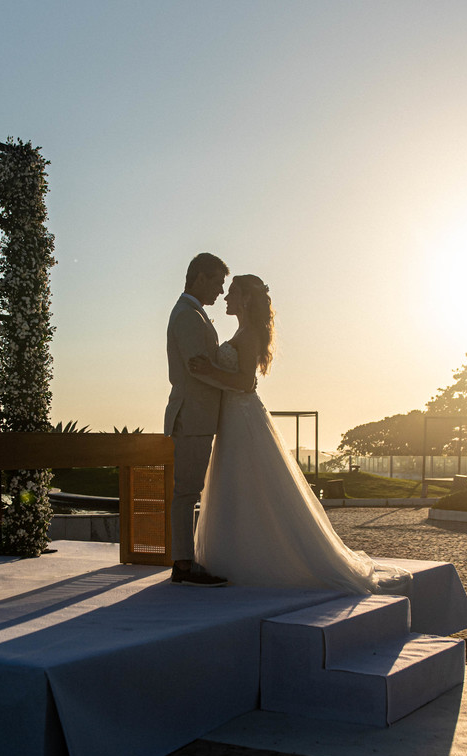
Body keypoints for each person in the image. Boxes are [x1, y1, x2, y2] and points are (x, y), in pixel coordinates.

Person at [188, 274, 411, 595]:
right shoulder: (241, 332)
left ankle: (264, 557)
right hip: (232, 419)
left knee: (253, 486)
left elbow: (245, 383)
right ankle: (239, 553)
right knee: (238, 486)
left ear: (246, 299)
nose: (225, 298)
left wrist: (209, 371)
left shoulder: (248, 335)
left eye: (232, 293)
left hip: (244, 419)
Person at [164, 253, 249, 587]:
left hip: (200, 417)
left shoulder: (194, 314)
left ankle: (186, 562)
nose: (220, 290)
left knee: (189, 491)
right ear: (199, 277)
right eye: (217, 281)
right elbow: (197, 369)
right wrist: (239, 383)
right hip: (192, 417)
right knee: (186, 492)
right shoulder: (187, 316)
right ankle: (183, 566)